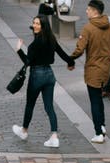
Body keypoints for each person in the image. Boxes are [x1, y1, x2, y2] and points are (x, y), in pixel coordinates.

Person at [13, 17, 76, 149]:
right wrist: (71, 63)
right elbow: (62, 53)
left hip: (37, 75)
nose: (35, 26)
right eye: (34, 23)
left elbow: (27, 62)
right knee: (49, 106)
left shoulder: (35, 44)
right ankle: (54, 137)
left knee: (30, 104)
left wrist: (19, 50)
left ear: (43, 26)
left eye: (38, 24)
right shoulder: (51, 39)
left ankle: (24, 131)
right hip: (49, 75)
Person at [70, 0, 110, 144]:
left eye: (88, 9)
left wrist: (70, 59)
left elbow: (79, 49)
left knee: (95, 101)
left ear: (94, 11)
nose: (86, 11)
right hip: (106, 69)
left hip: (93, 70)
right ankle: (102, 125)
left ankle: (98, 132)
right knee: (99, 98)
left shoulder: (88, 28)